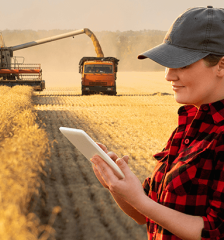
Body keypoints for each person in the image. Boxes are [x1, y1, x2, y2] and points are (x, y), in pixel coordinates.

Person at [90, 6, 224, 240]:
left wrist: (140, 200)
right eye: (167, 64)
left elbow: (215, 232)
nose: (168, 75)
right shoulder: (189, 125)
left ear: (221, 65)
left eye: (182, 64)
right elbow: (145, 214)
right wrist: (118, 186)